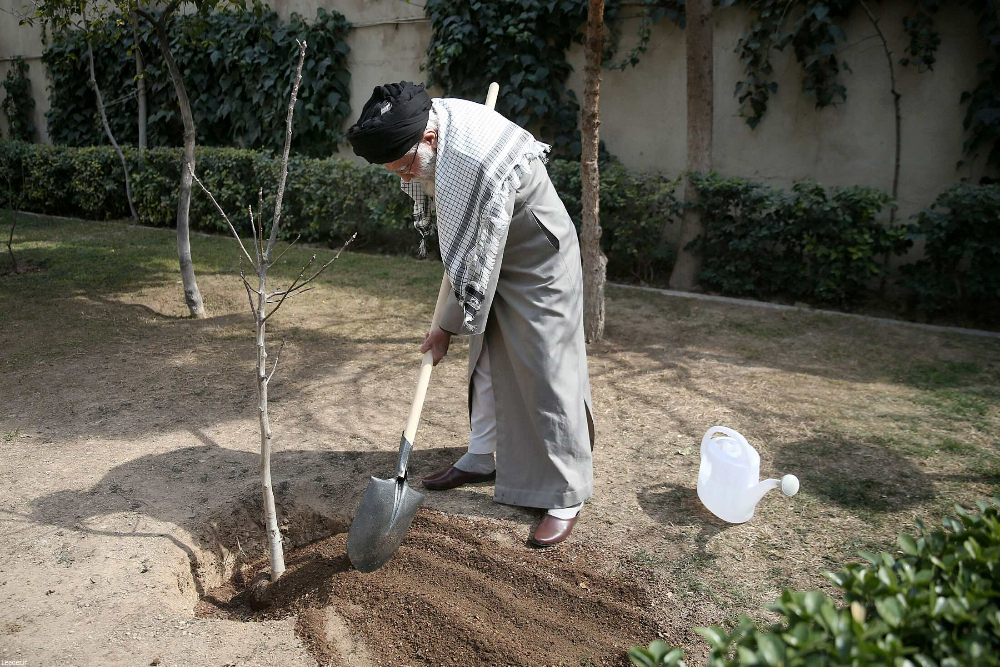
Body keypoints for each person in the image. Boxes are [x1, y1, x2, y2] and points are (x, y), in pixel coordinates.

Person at [346, 82, 594, 546]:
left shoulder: (473, 164)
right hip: (499, 245)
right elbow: (470, 256)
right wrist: (450, 325)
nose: (403, 178)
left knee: (547, 372)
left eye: (404, 166)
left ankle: (565, 494)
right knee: (484, 358)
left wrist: (443, 327)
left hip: (538, 260)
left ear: (430, 140)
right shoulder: (436, 131)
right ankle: (481, 456)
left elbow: (475, 261)